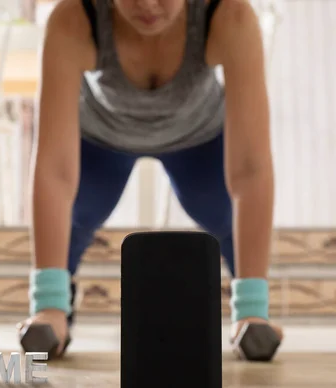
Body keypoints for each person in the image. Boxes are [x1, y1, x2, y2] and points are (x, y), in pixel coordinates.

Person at [18, 0, 284, 358]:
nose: (146, 4)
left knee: (225, 219)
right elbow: (54, 171)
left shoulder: (230, 15)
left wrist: (253, 308)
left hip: (197, 138)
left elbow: (250, 170)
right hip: (101, 139)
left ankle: (251, 312)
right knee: (76, 219)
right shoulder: (72, 18)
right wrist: (47, 306)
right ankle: (58, 305)